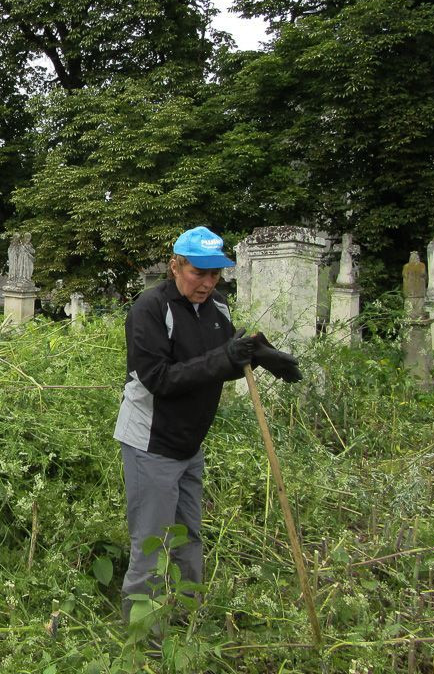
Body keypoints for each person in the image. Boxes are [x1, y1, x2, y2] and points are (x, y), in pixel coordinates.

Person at [114, 226, 301, 621]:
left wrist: (259, 352)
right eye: (199, 272)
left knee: (189, 537)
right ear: (175, 266)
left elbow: (218, 363)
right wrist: (227, 357)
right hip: (151, 442)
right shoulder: (150, 309)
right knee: (151, 544)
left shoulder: (217, 306)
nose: (208, 282)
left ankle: (187, 621)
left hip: (190, 445)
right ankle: (141, 641)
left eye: (215, 274)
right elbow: (159, 379)